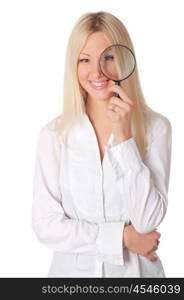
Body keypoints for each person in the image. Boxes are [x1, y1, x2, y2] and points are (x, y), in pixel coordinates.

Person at [32, 11, 172, 277]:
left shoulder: (156, 128)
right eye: (85, 59)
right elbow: (46, 225)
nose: (97, 71)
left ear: (125, 59)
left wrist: (124, 139)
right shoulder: (53, 135)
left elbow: (147, 220)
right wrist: (122, 238)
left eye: (108, 57)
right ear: (74, 65)